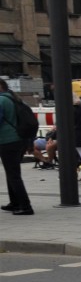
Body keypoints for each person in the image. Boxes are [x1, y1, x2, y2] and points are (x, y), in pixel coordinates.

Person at [0, 80, 34, 215]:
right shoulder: (15, 98)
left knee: (13, 174)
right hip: (20, 140)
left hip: (8, 141)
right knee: (12, 172)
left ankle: (25, 206)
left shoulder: (1, 100)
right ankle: (15, 202)